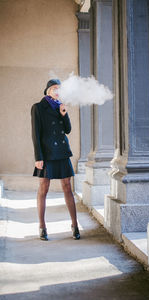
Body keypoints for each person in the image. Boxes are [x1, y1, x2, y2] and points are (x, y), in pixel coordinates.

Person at [31, 79, 80, 241]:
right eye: (54, 88)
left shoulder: (61, 106)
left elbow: (67, 130)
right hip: (47, 153)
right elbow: (35, 134)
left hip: (62, 152)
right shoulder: (38, 107)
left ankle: (74, 225)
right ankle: (42, 226)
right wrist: (38, 157)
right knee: (43, 188)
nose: (57, 91)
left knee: (67, 186)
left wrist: (64, 114)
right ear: (47, 91)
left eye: (59, 89)